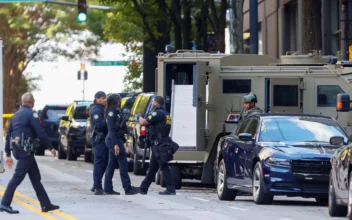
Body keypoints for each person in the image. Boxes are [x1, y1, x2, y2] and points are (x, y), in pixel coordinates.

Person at [0, 92, 59, 214]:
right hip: (26, 152)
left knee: (35, 177)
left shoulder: (15, 115)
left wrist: (8, 154)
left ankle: (45, 204)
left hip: (19, 150)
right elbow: (40, 132)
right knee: (17, 177)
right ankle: (4, 203)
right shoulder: (31, 114)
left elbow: (8, 135)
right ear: (32, 103)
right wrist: (50, 147)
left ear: (23, 102)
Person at [137, 96, 176, 195]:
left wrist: (139, 117)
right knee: (153, 167)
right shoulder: (165, 114)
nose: (152, 103)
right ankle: (143, 188)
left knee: (163, 166)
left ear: (157, 103)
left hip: (158, 143)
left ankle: (171, 189)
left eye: (153, 101)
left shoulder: (158, 113)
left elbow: (144, 122)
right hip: (160, 143)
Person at [104, 94, 140, 195]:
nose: (121, 101)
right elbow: (111, 130)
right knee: (123, 163)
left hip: (117, 139)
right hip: (113, 140)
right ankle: (127, 188)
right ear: (116, 101)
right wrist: (116, 144)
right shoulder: (111, 113)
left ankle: (107, 188)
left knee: (111, 164)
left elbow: (119, 130)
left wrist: (125, 141)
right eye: (119, 99)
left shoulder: (116, 111)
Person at [89, 91, 120, 195]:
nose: (105, 100)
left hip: (105, 139)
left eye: (106, 98)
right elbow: (99, 125)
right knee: (99, 163)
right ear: (97, 99)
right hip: (100, 139)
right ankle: (98, 187)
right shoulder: (96, 110)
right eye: (102, 98)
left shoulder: (103, 109)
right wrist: (109, 120)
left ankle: (96, 184)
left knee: (105, 163)